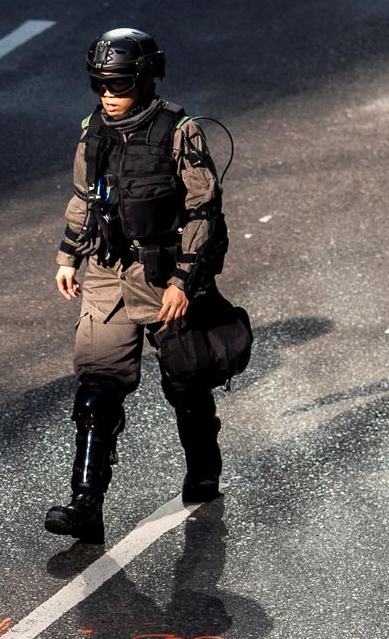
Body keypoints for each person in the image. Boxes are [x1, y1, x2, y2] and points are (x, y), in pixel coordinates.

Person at [45, 28, 228, 544]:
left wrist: (183, 282)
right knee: (96, 386)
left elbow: (203, 211)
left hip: (163, 272)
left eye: (119, 83)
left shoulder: (180, 132)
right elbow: (84, 196)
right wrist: (68, 256)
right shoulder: (94, 129)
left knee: (185, 380)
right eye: (100, 83)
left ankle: (203, 470)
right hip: (107, 269)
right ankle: (86, 504)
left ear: (146, 80)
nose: (108, 94)